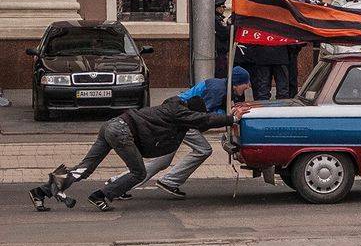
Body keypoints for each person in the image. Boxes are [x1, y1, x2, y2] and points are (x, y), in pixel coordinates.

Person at [28, 96, 249, 212]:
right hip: (124, 131)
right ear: (190, 111)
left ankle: (41, 191)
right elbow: (204, 120)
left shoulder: (171, 108)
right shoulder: (179, 112)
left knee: (85, 167)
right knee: (138, 172)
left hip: (111, 125)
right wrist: (232, 119)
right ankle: (102, 196)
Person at [106, 67, 251, 198]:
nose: (249, 86)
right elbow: (204, 118)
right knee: (204, 150)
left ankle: (118, 183)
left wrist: (227, 112)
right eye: (246, 82)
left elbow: (209, 113)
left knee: (163, 159)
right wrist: (230, 116)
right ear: (237, 83)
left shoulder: (221, 87)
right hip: (184, 119)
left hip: (181, 117)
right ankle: (170, 181)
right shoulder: (218, 89)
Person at [214, 0, 231, 79]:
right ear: (217, 8)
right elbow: (224, 33)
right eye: (223, 7)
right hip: (220, 52)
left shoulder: (218, 18)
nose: (224, 9)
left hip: (221, 52)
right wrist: (229, 25)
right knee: (221, 73)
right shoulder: (217, 20)